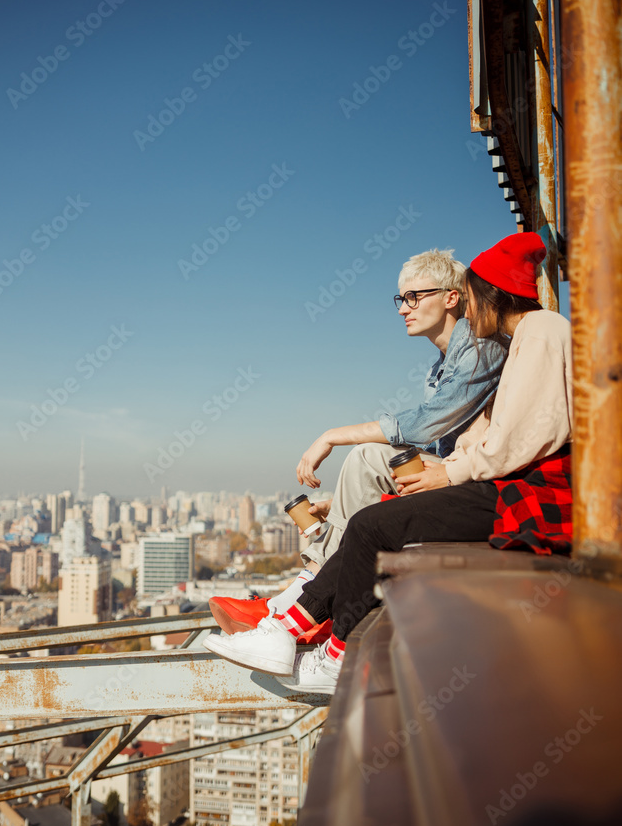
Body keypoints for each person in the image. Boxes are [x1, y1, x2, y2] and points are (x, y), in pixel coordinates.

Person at [203, 232, 573, 694]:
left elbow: (519, 437)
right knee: (371, 517)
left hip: (526, 490)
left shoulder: (534, 334)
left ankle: (322, 644)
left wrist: (449, 473)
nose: (469, 310)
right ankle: (287, 625)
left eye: (471, 296)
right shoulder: (524, 337)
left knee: (372, 522)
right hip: (509, 482)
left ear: (485, 293)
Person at [209, 248, 507, 635]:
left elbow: (426, 424)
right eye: (401, 299)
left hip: (485, 487)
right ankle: (298, 601)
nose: (403, 309)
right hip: (456, 472)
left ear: (451, 297)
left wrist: (332, 436)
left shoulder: (482, 349)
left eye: (414, 297)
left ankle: (295, 606)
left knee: (367, 456)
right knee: (368, 465)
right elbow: (436, 447)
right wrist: (341, 502)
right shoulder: (440, 366)